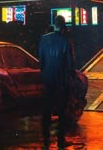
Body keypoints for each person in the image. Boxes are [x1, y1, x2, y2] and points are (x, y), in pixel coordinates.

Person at [38, 15, 75, 150]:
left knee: (46, 110)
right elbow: (70, 64)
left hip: (48, 79)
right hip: (61, 81)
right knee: (61, 110)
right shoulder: (66, 41)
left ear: (54, 25)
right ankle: (60, 140)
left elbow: (41, 61)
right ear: (63, 26)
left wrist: (44, 72)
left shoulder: (43, 39)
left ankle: (46, 139)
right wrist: (71, 76)